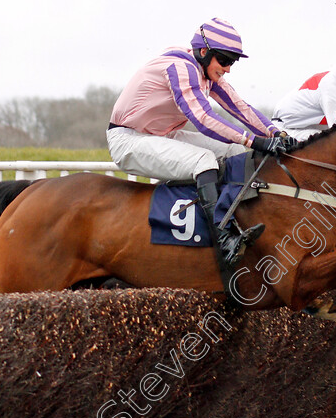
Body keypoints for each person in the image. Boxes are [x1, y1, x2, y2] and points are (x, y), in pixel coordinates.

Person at [107, 17, 291, 276]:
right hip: (128, 140)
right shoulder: (181, 68)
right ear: (204, 52)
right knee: (204, 160)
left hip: (163, 135)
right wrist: (255, 140)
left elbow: (240, 108)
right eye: (225, 60)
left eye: (233, 62)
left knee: (238, 153)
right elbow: (203, 119)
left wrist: (276, 133)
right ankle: (223, 239)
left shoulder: (205, 69)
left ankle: (245, 219)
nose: (228, 68)